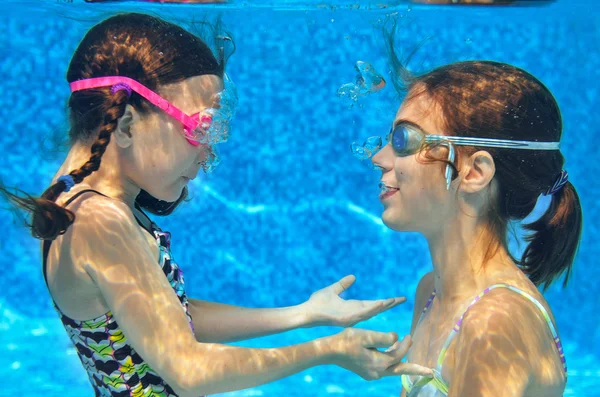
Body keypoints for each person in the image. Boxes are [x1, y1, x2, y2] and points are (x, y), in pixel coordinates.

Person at [1, 13, 432, 397]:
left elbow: (168, 315)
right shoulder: (99, 220)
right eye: (199, 128)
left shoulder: (78, 201)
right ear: (128, 123)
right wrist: (326, 351)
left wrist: (303, 314)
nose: (207, 154)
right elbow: (189, 369)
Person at [354, 26, 582, 397]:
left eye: (404, 139)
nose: (379, 158)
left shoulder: (494, 323)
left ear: (474, 172)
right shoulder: (432, 292)